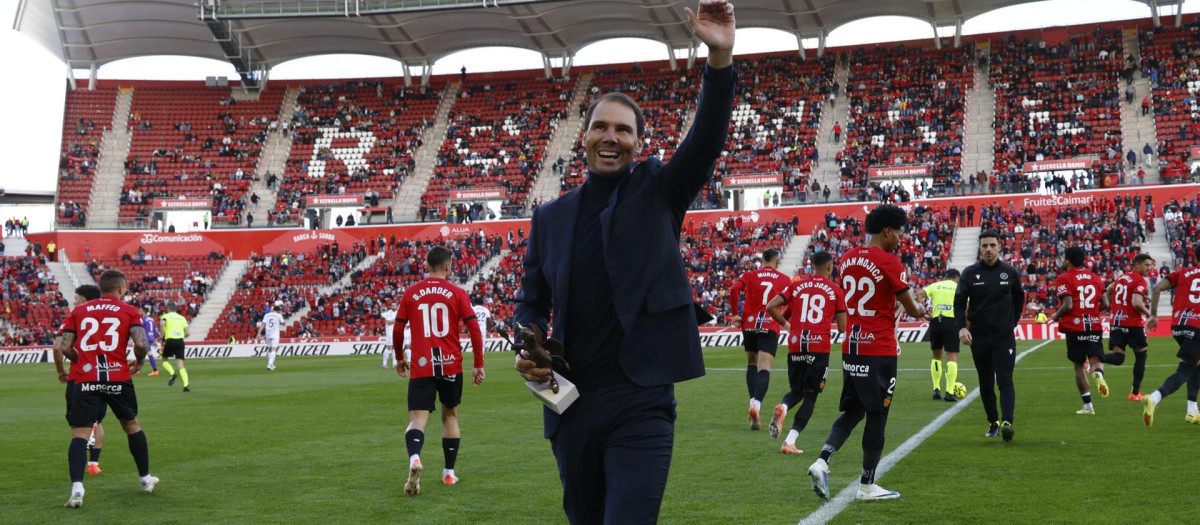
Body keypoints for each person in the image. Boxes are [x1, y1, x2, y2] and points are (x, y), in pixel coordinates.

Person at [512, 1, 735, 521]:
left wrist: (719, 57)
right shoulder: (550, 218)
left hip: (642, 402)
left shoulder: (658, 190)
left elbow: (706, 141)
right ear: (584, 136)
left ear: (638, 143)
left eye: (623, 130)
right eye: (600, 127)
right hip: (569, 403)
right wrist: (528, 340)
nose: (610, 137)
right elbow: (530, 302)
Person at [807, 205, 926, 501]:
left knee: (855, 409)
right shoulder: (889, 261)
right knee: (878, 414)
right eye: (899, 233)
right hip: (879, 348)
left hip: (852, 346)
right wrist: (924, 309)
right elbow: (912, 308)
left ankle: (822, 461)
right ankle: (867, 485)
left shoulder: (847, 258)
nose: (901, 239)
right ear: (887, 231)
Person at [57, 270, 158, 507]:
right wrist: (140, 361)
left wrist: (79, 359)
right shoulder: (129, 310)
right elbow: (141, 343)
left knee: (80, 434)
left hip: (86, 377)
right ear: (121, 288)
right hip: (118, 377)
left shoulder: (79, 311)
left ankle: (77, 489)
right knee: (132, 426)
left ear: (101, 288)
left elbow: (64, 347)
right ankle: (145, 479)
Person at [394, 246, 485, 496]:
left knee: (417, 419)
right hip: (450, 364)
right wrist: (478, 363)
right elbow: (474, 330)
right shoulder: (457, 292)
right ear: (448, 266)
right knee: (450, 416)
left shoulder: (411, 293)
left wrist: (400, 357)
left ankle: (414, 458)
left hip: (422, 364)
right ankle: (448, 473)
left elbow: (398, 329)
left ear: (426, 265)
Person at [764, 250, 846, 454]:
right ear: (830, 266)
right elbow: (844, 327)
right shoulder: (835, 289)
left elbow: (771, 306)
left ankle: (783, 407)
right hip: (818, 346)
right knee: (810, 397)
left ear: (811, 265)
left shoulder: (797, 285)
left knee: (796, 392)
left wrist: (786, 325)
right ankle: (789, 441)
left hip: (796, 345)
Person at [954, 231, 1025, 441]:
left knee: (1005, 379)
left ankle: (1007, 423)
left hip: (1003, 337)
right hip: (979, 336)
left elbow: (1019, 299)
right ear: (980, 248)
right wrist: (961, 328)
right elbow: (959, 303)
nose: (988, 249)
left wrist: (1013, 321)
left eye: (992, 245)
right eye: (984, 246)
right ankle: (993, 421)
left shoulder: (1010, 273)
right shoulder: (969, 273)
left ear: (999, 247)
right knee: (985, 382)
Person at [728, 248, 792, 430]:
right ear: (777, 260)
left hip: (749, 324)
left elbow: (734, 288)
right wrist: (783, 319)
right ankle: (756, 405)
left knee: (751, 365)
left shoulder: (749, 275)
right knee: (764, 368)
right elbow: (790, 302)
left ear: (762, 260)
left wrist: (735, 314)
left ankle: (752, 405)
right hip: (770, 325)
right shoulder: (784, 279)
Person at [1142, 246, 1200, 426]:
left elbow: (1158, 287)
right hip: (1197, 326)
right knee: (1185, 369)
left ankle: (1192, 411)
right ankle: (1154, 397)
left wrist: (1153, 315)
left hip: (1179, 326)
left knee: (1195, 364)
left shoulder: (1183, 272)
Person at [1048, 246, 1109, 415]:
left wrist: (1054, 317)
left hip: (1075, 327)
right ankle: (1098, 374)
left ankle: (1088, 406)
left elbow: (1067, 305)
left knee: (1079, 366)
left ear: (1068, 260)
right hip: (1094, 324)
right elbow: (1105, 303)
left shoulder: (1064, 278)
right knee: (1096, 359)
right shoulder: (1095, 277)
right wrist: (1091, 313)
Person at [54, 285, 106, 476]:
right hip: (104, 375)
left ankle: (80, 468)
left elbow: (59, 347)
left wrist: (61, 371)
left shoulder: (75, 316)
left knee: (78, 425)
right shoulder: (107, 317)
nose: (74, 301)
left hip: (80, 376)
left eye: (76, 298)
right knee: (98, 421)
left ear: (83, 300)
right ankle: (94, 463)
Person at [1102, 254, 1154, 400]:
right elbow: (1137, 303)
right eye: (1145, 265)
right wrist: (1150, 314)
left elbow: (1108, 290)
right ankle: (1135, 393)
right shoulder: (1140, 281)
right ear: (1136, 264)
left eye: (1149, 265)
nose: (1148, 268)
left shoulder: (1121, 278)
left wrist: (1115, 306)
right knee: (1141, 355)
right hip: (1132, 323)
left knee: (1118, 358)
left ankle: (1094, 358)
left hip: (1117, 322)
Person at [919, 269, 962, 402]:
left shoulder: (936, 285)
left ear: (945, 277)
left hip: (936, 322)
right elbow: (967, 306)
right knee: (952, 357)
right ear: (957, 278)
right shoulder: (958, 287)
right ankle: (949, 392)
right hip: (951, 322)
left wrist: (923, 312)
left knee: (936, 357)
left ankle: (936, 389)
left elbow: (919, 294)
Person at [158, 302, 191, 392]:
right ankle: (186, 385)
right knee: (180, 364)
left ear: (168, 309)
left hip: (170, 340)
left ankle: (172, 374)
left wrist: (163, 338)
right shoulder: (182, 318)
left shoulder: (165, 316)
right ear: (176, 309)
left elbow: (161, 325)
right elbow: (188, 333)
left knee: (164, 359)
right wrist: (181, 337)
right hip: (180, 341)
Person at [257, 301, 285, 371]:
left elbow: (263, 324)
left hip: (268, 334)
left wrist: (259, 333)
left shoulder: (267, 315)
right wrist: (281, 317)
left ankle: (271, 364)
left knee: (269, 349)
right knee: (274, 349)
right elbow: (283, 323)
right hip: (275, 334)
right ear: (278, 310)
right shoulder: (278, 315)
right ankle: (269, 364)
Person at [139, 307, 161, 377]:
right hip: (151, 337)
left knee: (148, 353)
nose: (139, 311)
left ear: (144, 312)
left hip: (146, 338)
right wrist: (154, 339)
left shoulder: (142, 319)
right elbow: (155, 330)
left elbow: (140, 329)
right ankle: (137, 370)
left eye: (140, 310)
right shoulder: (151, 319)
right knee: (142, 353)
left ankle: (155, 370)